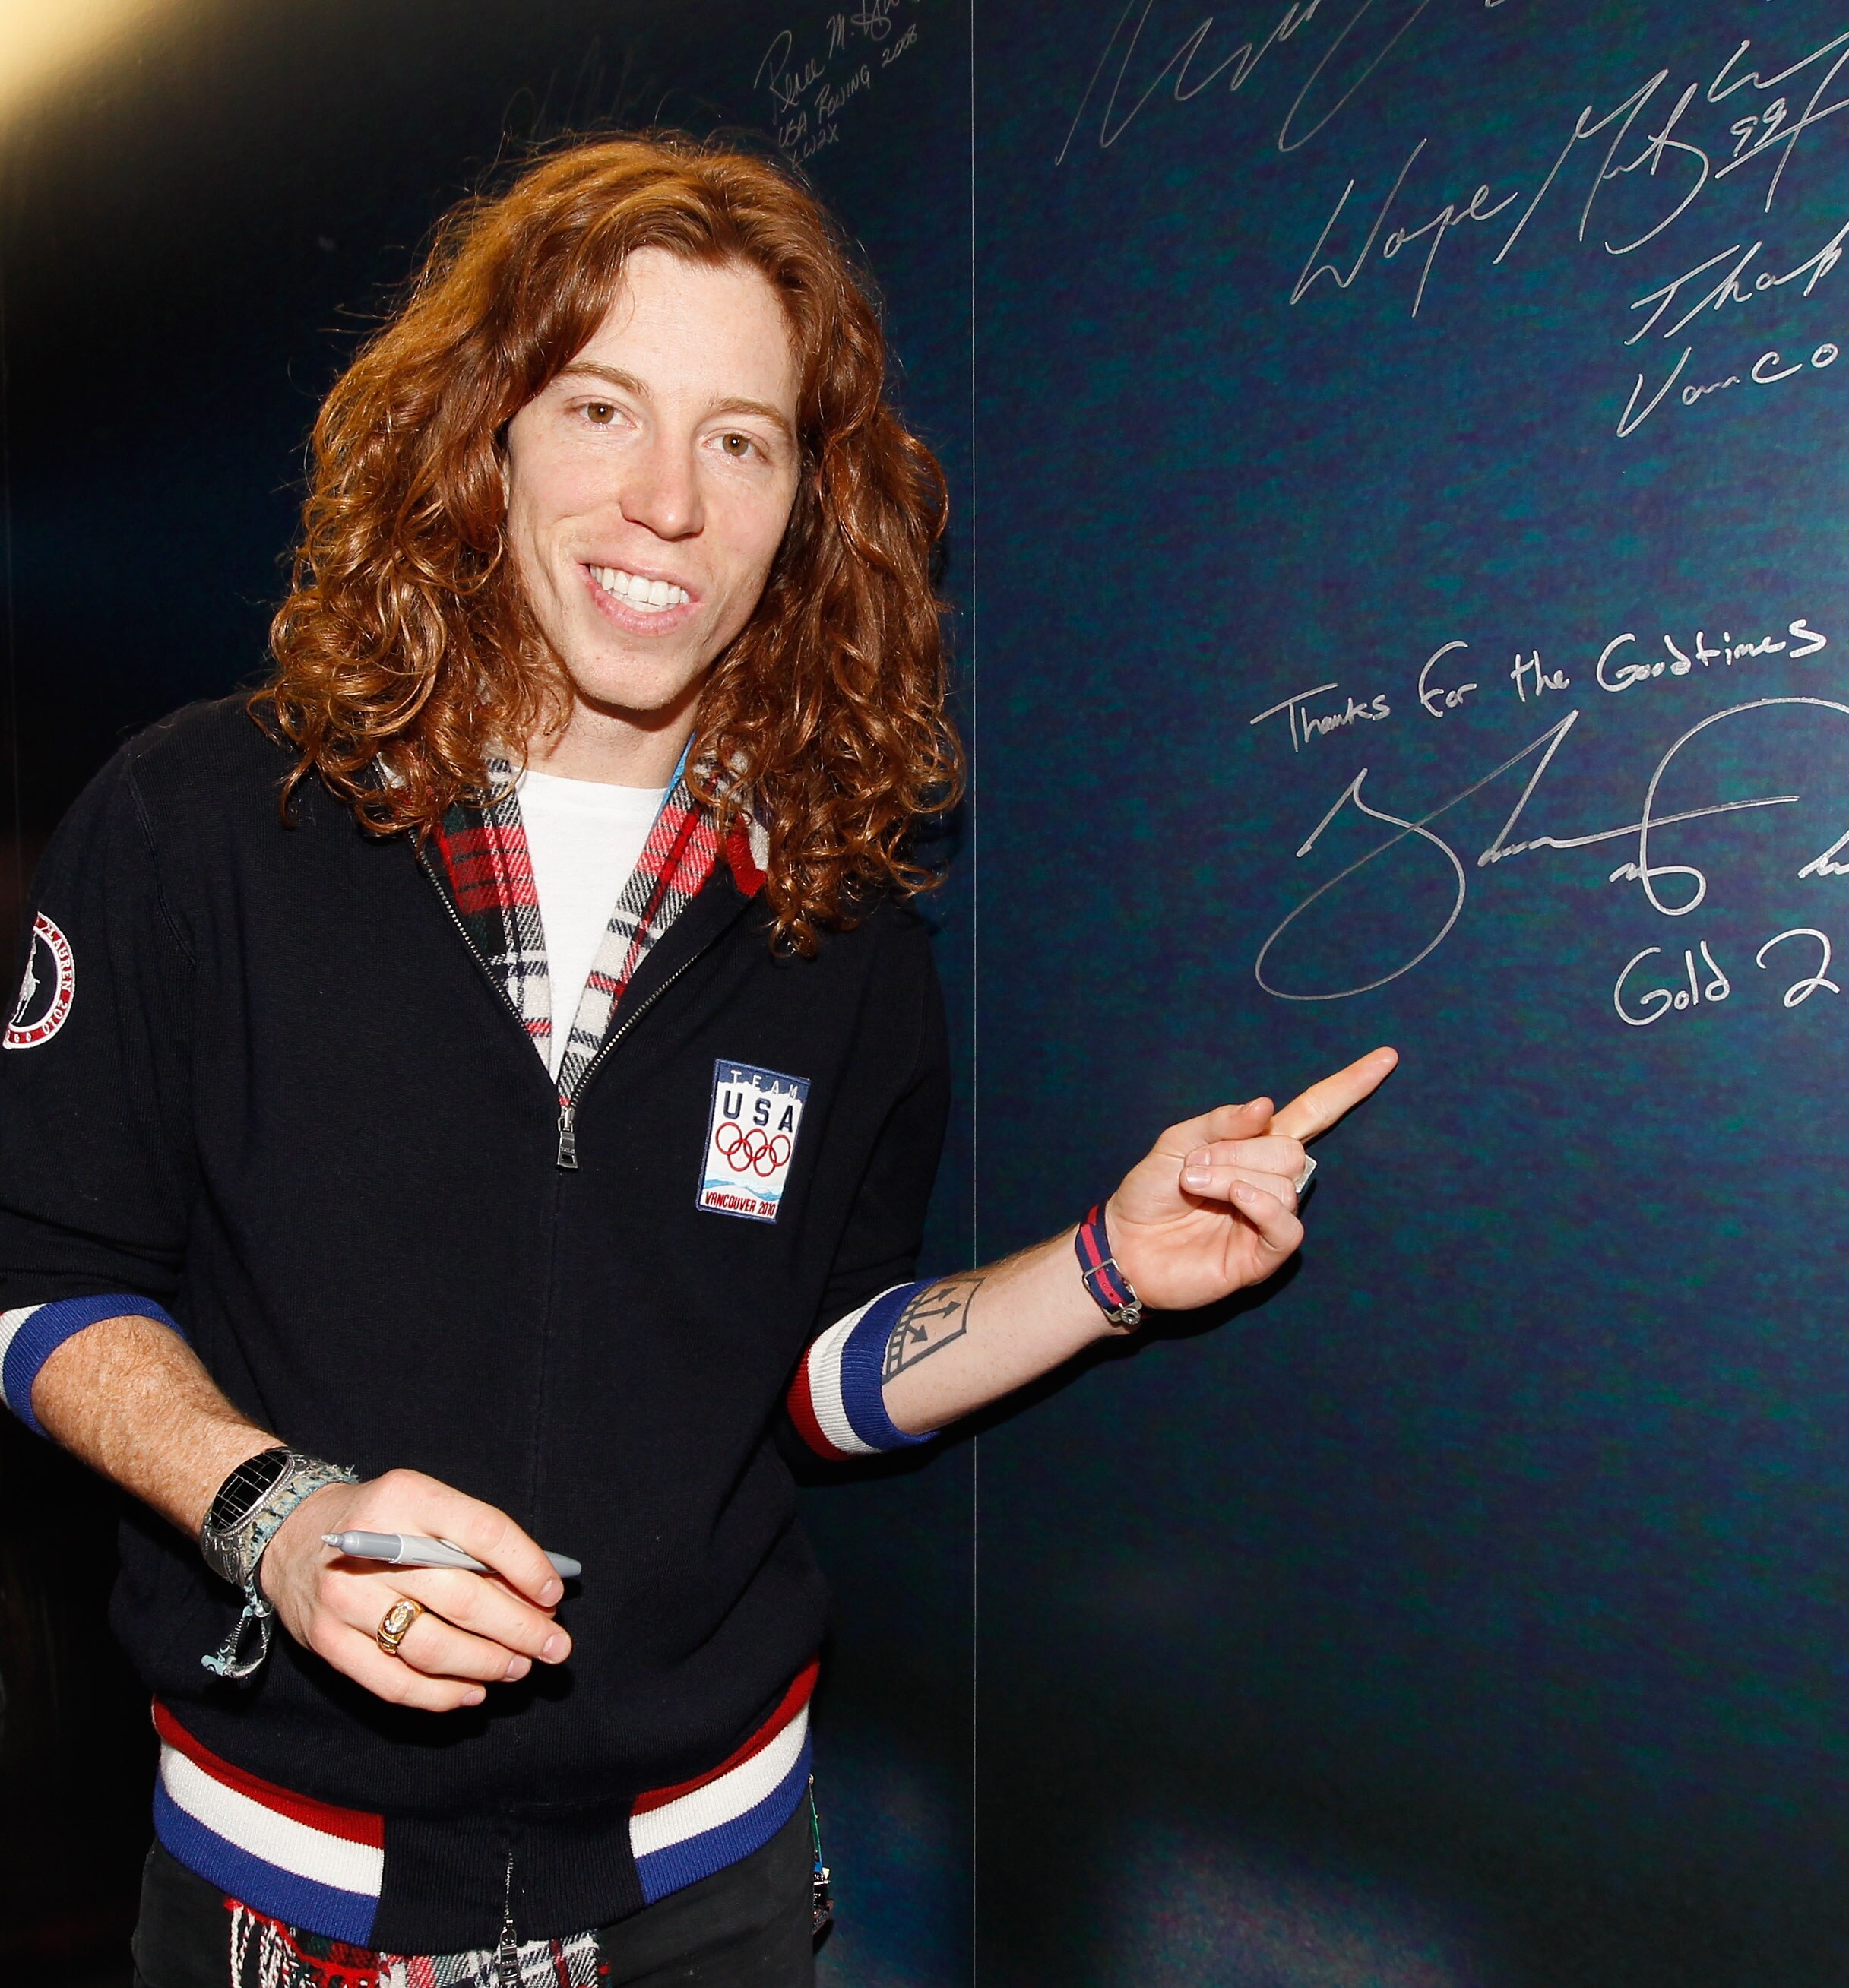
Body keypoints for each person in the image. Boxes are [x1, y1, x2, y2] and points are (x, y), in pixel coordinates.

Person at [0, 134, 1393, 1987]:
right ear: (478, 437)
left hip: (713, 1899)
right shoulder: (199, 821)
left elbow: (813, 1375)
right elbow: (36, 1277)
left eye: (739, 438)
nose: (665, 500)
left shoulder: (836, 920)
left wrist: (1107, 1271)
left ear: (803, 506)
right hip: (277, 1897)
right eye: (599, 408)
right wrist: (274, 1514)